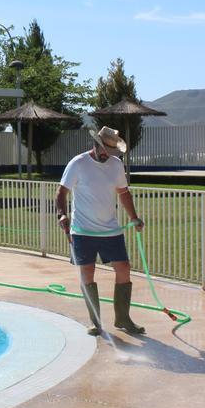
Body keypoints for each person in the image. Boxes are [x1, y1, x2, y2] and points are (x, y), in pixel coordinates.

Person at [55, 126, 146, 336]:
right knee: (87, 272)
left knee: (123, 268)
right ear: (96, 144)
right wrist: (62, 214)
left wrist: (134, 217)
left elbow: (123, 193)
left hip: (110, 230)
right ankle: (96, 322)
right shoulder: (78, 163)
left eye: (111, 152)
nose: (108, 155)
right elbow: (61, 191)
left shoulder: (115, 165)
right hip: (83, 230)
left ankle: (123, 318)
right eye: (105, 149)